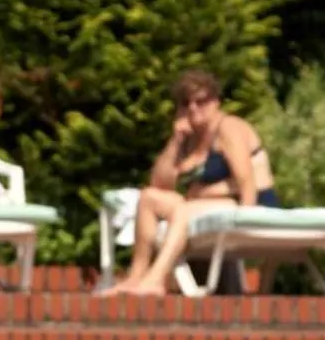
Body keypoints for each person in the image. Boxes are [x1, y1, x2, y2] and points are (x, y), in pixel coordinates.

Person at [105, 69, 279, 298]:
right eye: (186, 103)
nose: (194, 108)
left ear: (216, 101)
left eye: (201, 101)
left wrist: (242, 224)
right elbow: (159, 183)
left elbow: (246, 182)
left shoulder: (228, 128)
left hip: (251, 205)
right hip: (210, 206)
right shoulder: (190, 138)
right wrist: (176, 141)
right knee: (148, 198)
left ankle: (156, 280)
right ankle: (136, 277)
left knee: (181, 210)